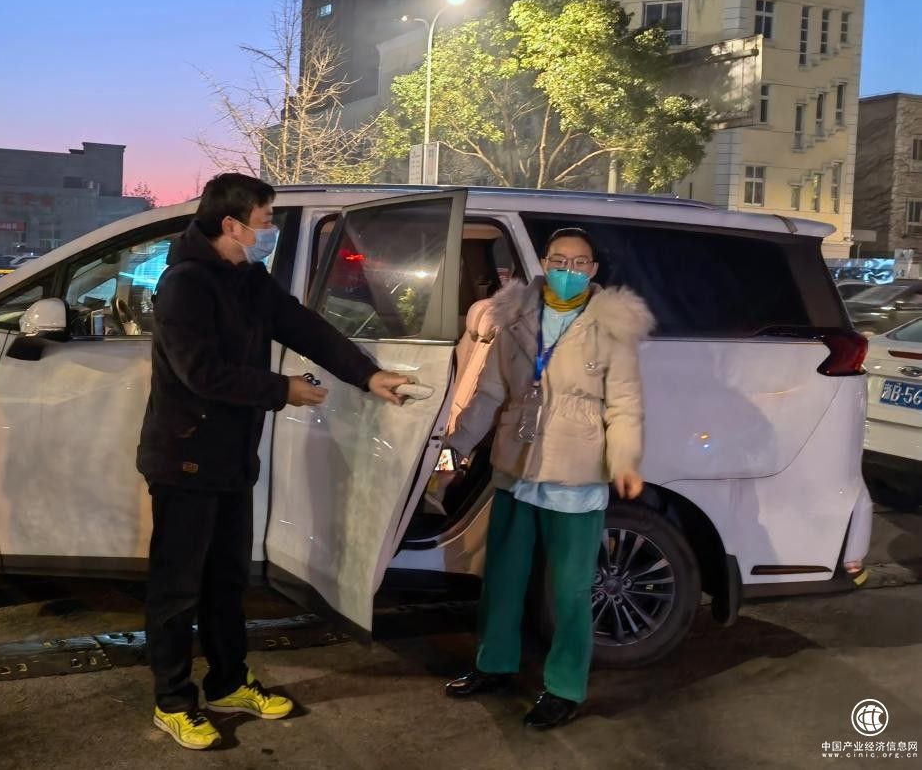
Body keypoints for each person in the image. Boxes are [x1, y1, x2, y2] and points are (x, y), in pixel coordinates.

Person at [137, 173, 410, 750]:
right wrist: (281, 389)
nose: (270, 232)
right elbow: (201, 373)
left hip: (232, 458)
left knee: (227, 578)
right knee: (177, 588)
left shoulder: (248, 277)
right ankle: (173, 701)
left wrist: (366, 374)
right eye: (264, 222)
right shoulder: (186, 283)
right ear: (231, 225)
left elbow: (301, 325)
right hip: (185, 458)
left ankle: (228, 682)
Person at [440, 227, 654, 730]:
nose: (568, 271)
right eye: (559, 260)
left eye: (579, 263)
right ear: (543, 262)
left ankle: (564, 688)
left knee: (572, 590)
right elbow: (490, 393)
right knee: (502, 576)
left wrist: (625, 461)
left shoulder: (611, 327)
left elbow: (625, 404)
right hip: (517, 465)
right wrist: (456, 446)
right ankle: (494, 664)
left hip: (577, 471)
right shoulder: (516, 317)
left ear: (593, 270)